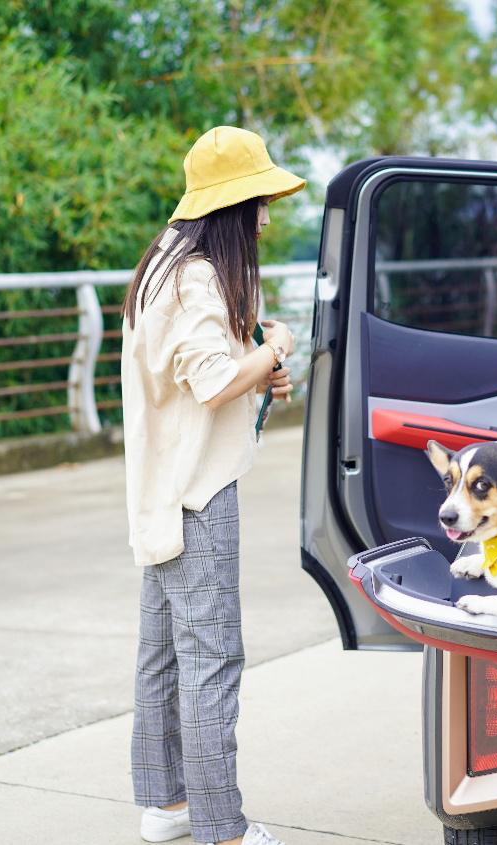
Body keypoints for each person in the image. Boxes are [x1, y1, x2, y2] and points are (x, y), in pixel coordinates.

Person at [120, 126, 303, 845]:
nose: (266, 215)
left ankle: (165, 805)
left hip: (163, 487)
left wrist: (262, 363)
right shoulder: (197, 274)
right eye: (259, 199)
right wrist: (276, 347)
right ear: (231, 205)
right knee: (212, 659)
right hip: (197, 493)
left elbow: (216, 372)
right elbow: (214, 378)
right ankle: (222, 828)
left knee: (163, 652)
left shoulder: (164, 264)